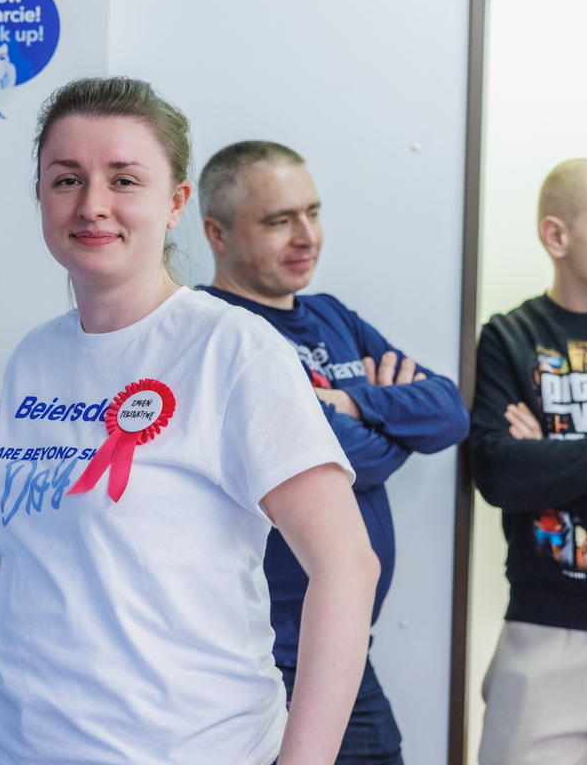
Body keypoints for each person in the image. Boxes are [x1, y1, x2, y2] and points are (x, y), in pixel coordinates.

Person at [0, 76, 380, 765]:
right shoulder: (33, 358)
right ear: (40, 195)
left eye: (124, 179)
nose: (93, 205)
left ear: (177, 203)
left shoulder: (232, 349)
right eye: (66, 179)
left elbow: (347, 566)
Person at [196, 141, 470, 764]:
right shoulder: (208, 331)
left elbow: (450, 412)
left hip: (343, 651)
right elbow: (332, 459)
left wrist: (353, 406)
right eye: (277, 221)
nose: (306, 236)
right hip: (257, 657)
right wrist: (382, 418)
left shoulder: (330, 316)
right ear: (216, 232)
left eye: (312, 213)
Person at [470, 158, 587, 765]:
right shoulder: (510, 337)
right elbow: (500, 474)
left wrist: (554, 463)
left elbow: (530, 473)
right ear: (556, 236)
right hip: (543, 631)